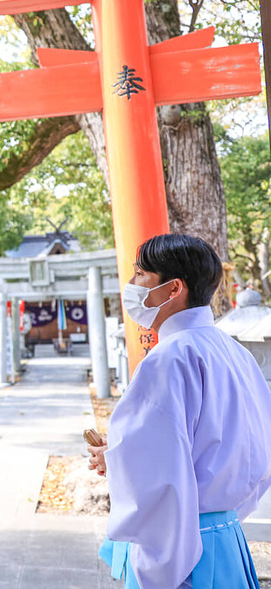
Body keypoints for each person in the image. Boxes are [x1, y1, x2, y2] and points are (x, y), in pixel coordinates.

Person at [87, 234, 271, 588]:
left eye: (141, 274)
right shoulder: (235, 353)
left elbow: (161, 476)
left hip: (182, 546)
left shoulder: (170, 358)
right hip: (225, 536)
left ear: (173, 289)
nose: (132, 284)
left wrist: (159, 566)